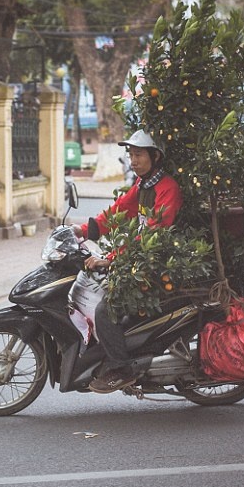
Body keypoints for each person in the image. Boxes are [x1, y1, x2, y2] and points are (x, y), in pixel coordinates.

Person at [72, 129, 183, 393]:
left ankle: (122, 368)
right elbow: (117, 211)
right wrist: (82, 230)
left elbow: (153, 236)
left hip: (155, 266)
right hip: (140, 260)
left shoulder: (167, 189)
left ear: (155, 156)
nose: (133, 160)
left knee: (104, 310)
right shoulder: (143, 186)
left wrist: (108, 259)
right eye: (131, 155)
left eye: (139, 155)